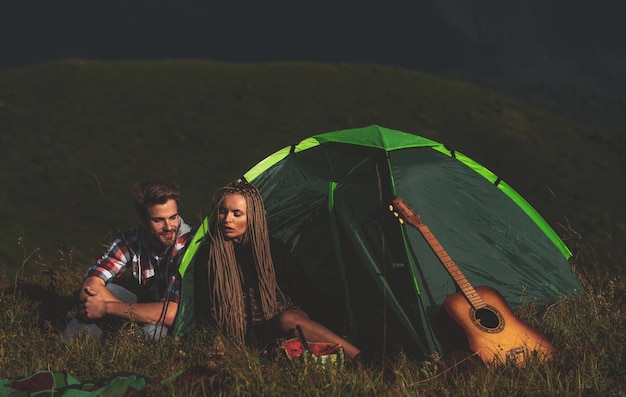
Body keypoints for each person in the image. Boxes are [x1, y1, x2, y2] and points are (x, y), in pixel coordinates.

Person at [193, 180, 363, 362]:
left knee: (288, 318)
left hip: (280, 322)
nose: (228, 219)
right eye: (222, 211)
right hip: (242, 335)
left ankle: (360, 359)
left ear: (252, 216)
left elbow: (305, 293)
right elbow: (204, 309)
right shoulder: (209, 255)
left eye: (237, 214)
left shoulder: (273, 249)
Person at [62, 181, 194, 341]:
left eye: (173, 217)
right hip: (146, 308)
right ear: (142, 220)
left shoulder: (188, 246)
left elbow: (170, 314)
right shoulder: (132, 239)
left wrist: (107, 308)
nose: (168, 227)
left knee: (154, 331)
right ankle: (63, 351)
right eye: (158, 220)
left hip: (179, 322)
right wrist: (126, 313)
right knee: (104, 293)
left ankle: (110, 352)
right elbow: (89, 287)